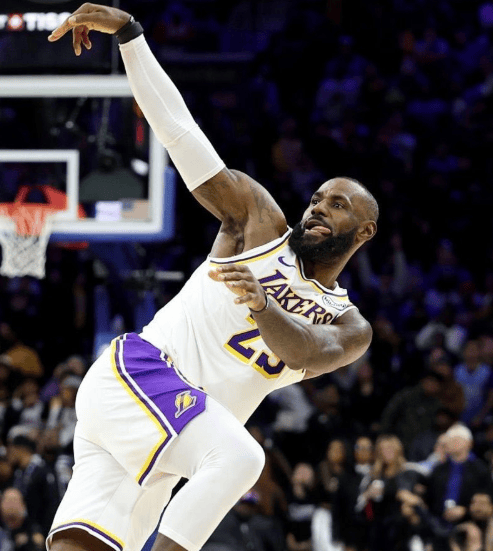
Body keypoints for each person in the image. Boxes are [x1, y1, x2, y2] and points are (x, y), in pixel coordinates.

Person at [46, 5, 378, 551]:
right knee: (241, 455)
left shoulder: (350, 326)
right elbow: (180, 132)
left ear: (364, 232)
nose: (319, 207)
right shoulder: (260, 226)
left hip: (167, 438)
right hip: (140, 377)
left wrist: (263, 307)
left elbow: (304, 351)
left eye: (337, 205)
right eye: (317, 198)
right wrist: (130, 35)